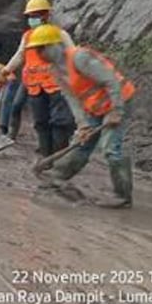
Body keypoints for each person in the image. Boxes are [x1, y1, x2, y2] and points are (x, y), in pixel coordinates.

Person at [26, 24, 136, 209]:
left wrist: (116, 110)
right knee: (81, 143)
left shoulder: (79, 57)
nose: (39, 53)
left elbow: (111, 81)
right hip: (94, 109)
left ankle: (123, 196)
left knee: (110, 149)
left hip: (119, 100)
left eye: (41, 48)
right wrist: (83, 125)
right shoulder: (55, 70)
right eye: (37, 50)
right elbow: (73, 99)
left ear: (54, 45)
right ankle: (57, 177)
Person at [0, 0, 76, 157]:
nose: (33, 19)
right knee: (41, 122)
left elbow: (73, 55)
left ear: (46, 15)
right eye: (31, 16)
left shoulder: (59, 34)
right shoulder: (28, 36)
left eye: (37, 15)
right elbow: (20, 55)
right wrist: (6, 70)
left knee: (59, 122)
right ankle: (45, 154)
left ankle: (58, 155)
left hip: (57, 85)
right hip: (34, 85)